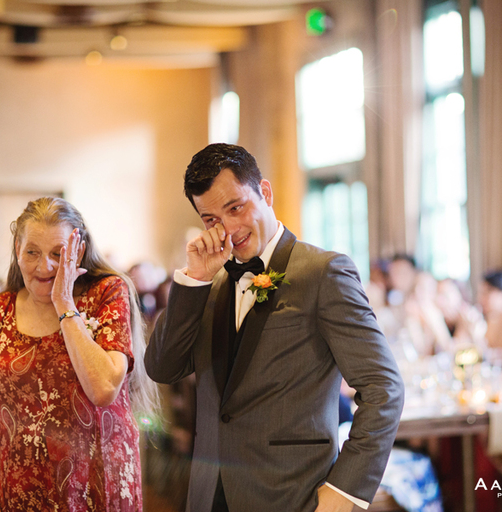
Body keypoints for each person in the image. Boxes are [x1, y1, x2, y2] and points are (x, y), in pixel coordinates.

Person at [145, 144, 404, 512]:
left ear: (265, 193)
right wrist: (194, 280)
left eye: (236, 208)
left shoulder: (324, 273)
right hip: (209, 494)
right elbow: (163, 367)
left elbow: (384, 388)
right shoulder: (209, 284)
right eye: (211, 219)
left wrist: (344, 491)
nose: (228, 229)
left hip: (292, 494)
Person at [0, 197, 157, 512]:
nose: (45, 267)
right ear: (17, 249)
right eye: (32, 252)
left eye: (58, 254)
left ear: (78, 251)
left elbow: (103, 389)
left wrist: (65, 303)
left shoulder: (106, 294)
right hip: (20, 496)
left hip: (96, 491)